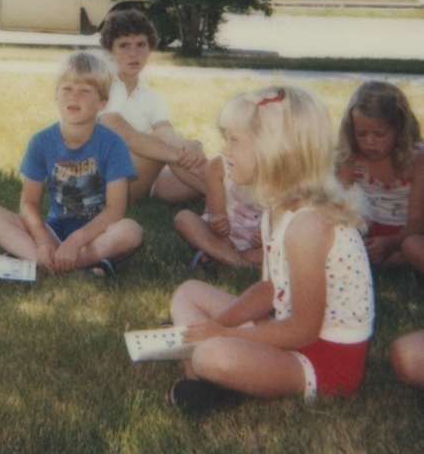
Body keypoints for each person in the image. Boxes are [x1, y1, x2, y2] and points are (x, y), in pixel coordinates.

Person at [166, 86, 374, 415]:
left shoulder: (309, 226)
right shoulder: (276, 207)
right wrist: (218, 326)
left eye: (234, 140)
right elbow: (270, 288)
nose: (224, 150)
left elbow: (305, 329)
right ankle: (215, 380)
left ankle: (213, 376)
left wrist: (220, 335)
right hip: (290, 333)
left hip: (322, 362)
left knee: (211, 355)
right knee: (189, 293)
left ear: (275, 151)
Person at [0, 51, 143, 277]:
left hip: (96, 236)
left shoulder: (114, 144)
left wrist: (76, 241)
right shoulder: (40, 141)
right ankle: (57, 259)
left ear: (102, 102)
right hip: (53, 231)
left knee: (131, 231)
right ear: (56, 95)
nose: (74, 97)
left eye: (85, 91)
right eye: (67, 89)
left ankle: (47, 262)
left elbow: (115, 210)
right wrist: (44, 240)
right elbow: (28, 203)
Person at [96, 9, 206, 203]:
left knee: (193, 170)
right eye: (123, 46)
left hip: (136, 176)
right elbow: (128, 138)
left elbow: (168, 134)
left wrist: (191, 148)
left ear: (150, 48)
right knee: (166, 144)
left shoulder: (150, 96)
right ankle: (225, 198)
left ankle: (225, 188)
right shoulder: (101, 85)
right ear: (109, 51)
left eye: (141, 44)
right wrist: (179, 154)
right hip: (100, 184)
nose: (133, 53)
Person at [336, 80, 424, 268]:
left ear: (399, 129)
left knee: (411, 247)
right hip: (371, 238)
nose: (369, 142)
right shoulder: (351, 159)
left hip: (411, 233)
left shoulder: (417, 159)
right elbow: (339, 211)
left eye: (379, 134)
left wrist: (391, 242)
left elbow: (418, 220)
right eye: (361, 134)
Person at [173, 155, 263, 270]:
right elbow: (215, 213)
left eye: (234, 141)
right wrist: (217, 223)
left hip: (257, 247)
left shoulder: (279, 169)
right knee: (183, 219)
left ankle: (221, 257)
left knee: (283, 248)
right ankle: (240, 262)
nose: (226, 149)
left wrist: (265, 234)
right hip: (222, 239)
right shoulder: (218, 167)